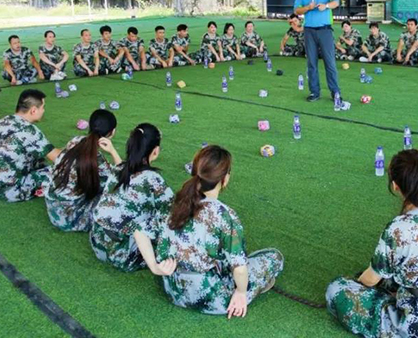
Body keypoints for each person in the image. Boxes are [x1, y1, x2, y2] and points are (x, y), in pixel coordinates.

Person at [326, 150, 418, 337]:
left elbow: (370, 280)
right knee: (391, 276)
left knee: (337, 289)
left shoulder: (397, 229)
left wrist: (356, 286)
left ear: (395, 186)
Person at [135, 145, 284, 317]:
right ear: (225, 179)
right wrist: (241, 293)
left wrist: (154, 267)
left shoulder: (176, 202)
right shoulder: (225, 215)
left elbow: (140, 231)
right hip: (214, 300)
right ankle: (250, 288)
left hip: (173, 291)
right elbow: (240, 269)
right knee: (274, 257)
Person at [90, 123, 173, 272]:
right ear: (155, 151)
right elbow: (174, 212)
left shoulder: (119, 169)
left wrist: (113, 151)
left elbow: (124, 168)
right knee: (166, 219)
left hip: (97, 242)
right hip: (124, 256)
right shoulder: (153, 179)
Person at [45, 109, 122, 232]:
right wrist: (113, 151)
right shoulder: (97, 160)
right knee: (119, 196)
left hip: (53, 208)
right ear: (112, 132)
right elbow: (122, 178)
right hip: (70, 220)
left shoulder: (76, 140)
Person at [0, 89, 61, 202]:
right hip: (11, 190)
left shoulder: (5, 119)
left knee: (40, 160)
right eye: (42, 107)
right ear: (33, 110)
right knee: (64, 172)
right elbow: (59, 158)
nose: (43, 110)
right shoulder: (28, 130)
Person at [293, 0, 342, 103]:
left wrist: (326, 6)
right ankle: (314, 92)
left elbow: (336, 2)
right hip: (309, 31)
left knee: (330, 63)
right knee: (311, 63)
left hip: (325, 31)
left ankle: (335, 92)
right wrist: (307, 8)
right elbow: (296, 10)